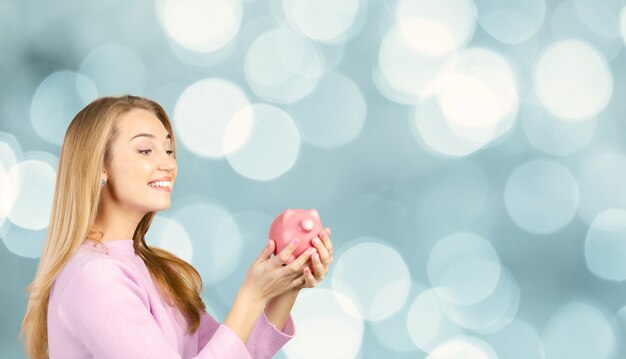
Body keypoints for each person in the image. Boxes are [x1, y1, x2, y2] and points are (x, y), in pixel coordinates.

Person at [18, 95, 334, 358]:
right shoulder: (94, 277)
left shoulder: (155, 269)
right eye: (145, 150)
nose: (168, 163)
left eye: (169, 150)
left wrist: (285, 286)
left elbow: (235, 351)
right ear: (100, 166)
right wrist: (251, 295)